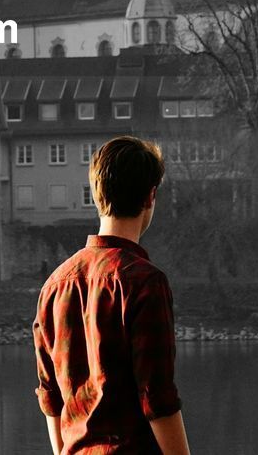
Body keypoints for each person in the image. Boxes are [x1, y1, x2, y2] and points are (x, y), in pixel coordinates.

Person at [32, 136, 191, 454]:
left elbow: (51, 399)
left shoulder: (53, 286)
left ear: (96, 195)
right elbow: (157, 398)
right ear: (151, 196)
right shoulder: (144, 282)